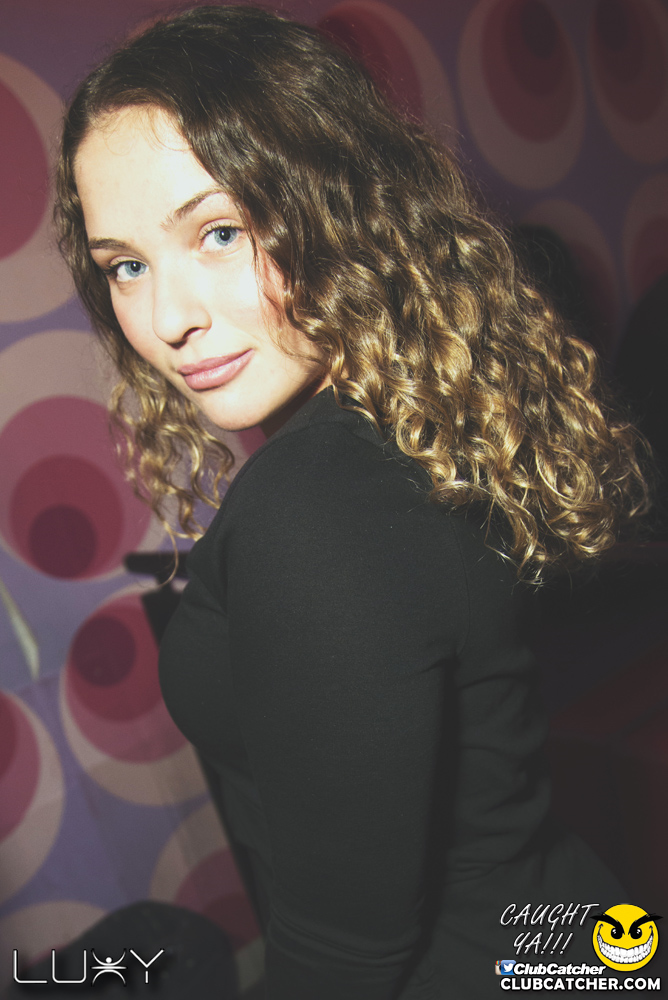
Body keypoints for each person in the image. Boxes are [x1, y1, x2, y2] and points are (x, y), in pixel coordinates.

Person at [55, 7, 651, 997]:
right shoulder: (411, 422)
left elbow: (344, 955)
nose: (166, 318)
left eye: (219, 232)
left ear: (335, 205)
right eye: (127, 265)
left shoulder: (313, 505)